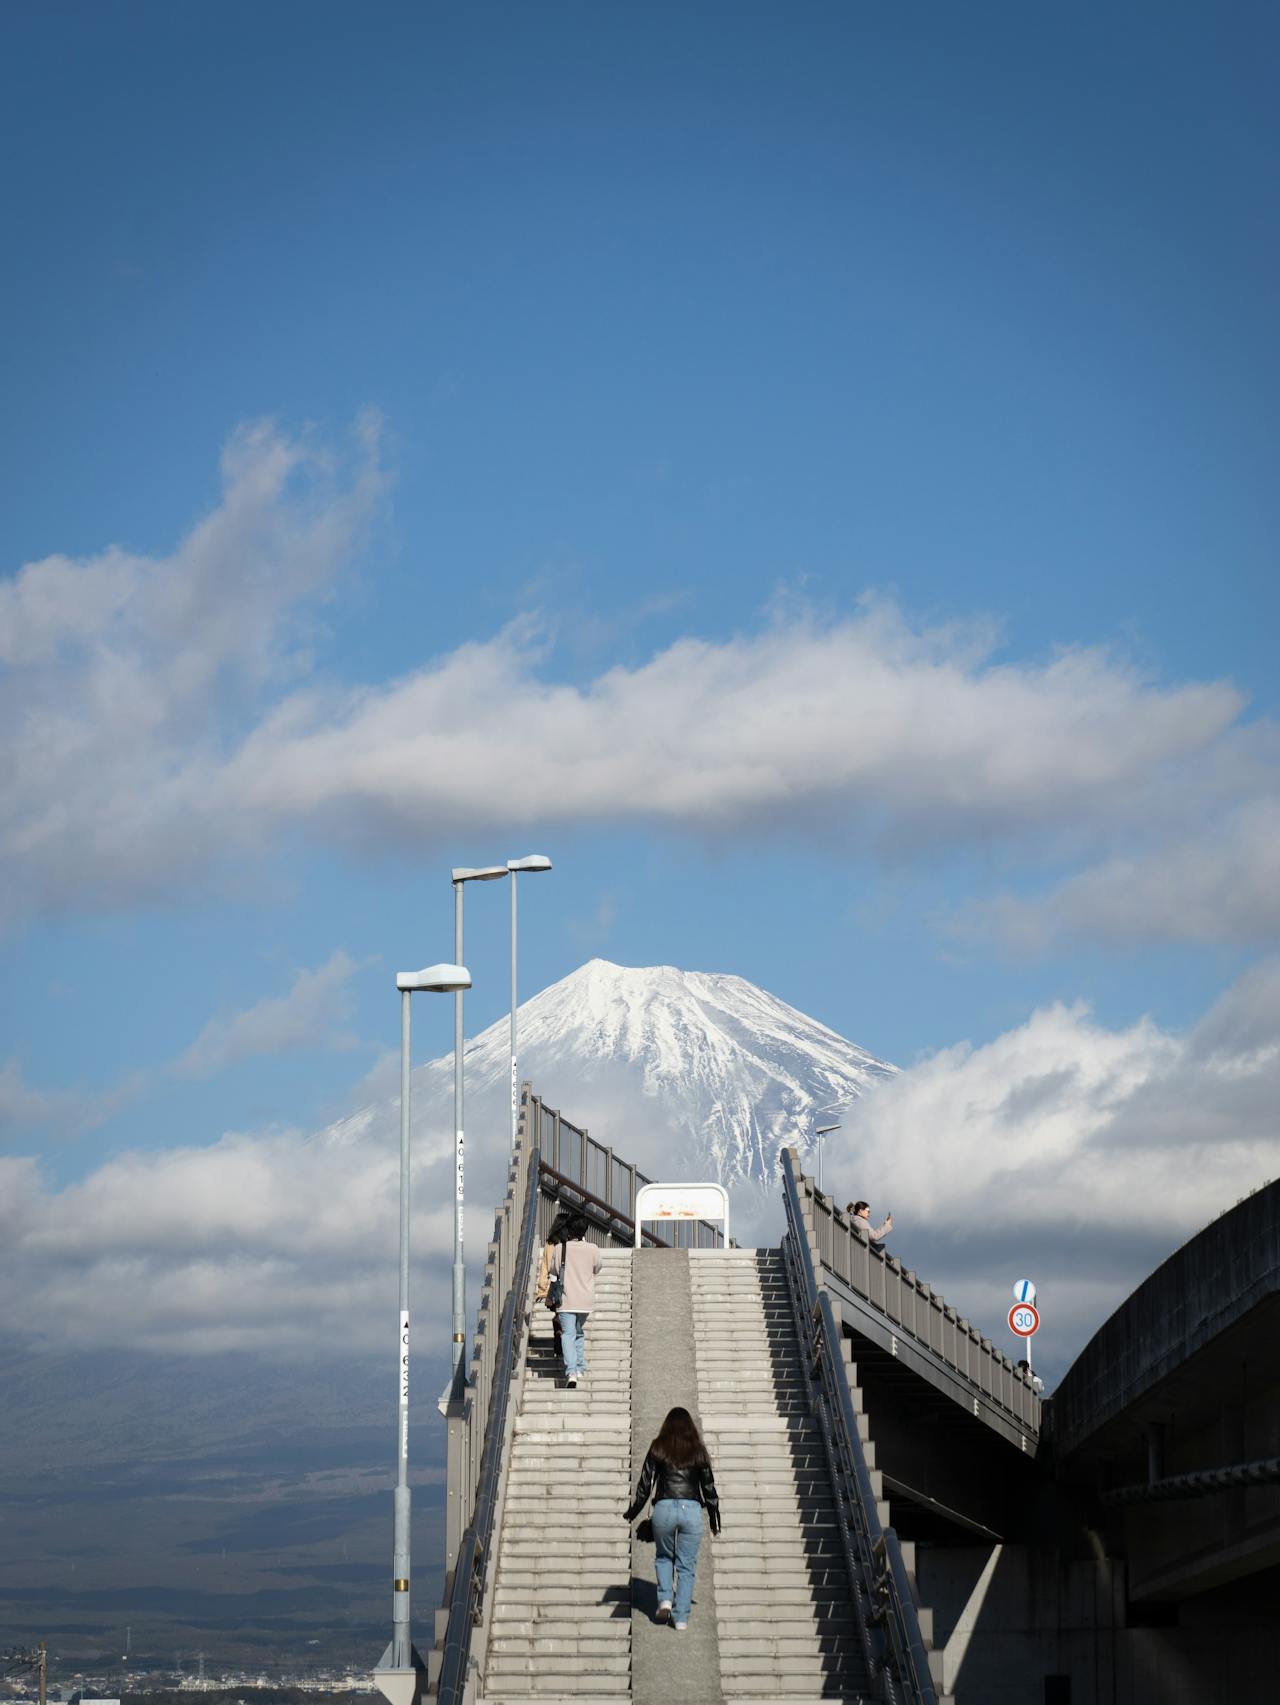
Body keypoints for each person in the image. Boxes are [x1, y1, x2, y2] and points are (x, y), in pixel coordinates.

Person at [625, 1406, 721, 1630]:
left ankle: (665, 1598)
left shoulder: (659, 1446)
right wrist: (715, 1517)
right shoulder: (698, 1449)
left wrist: (633, 1512)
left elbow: (645, 1484)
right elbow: (708, 1486)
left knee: (664, 1557)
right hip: (692, 1508)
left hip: (664, 1507)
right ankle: (680, 1618)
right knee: (687, 1566)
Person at [549, 1214, 600, 1388]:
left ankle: (571, 1371)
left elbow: (554, 1270)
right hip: (585, 1300)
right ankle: (579, 1366)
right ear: (585, 1230)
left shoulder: (559, 1248)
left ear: (569, 1230)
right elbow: (597, 1267)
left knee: (568, 1334)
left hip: (566, 1299)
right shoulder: (592, 1248)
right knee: (578, 1332)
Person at [534, 1209, 575, 1355]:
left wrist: (542, 1289)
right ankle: (566, 1343)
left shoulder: (550, 1243)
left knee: (559, 1314)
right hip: (569, 1285)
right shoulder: (570, 1244)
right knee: (569, 1317)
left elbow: (545, 1267)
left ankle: (558, 1338)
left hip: (554, 1286)